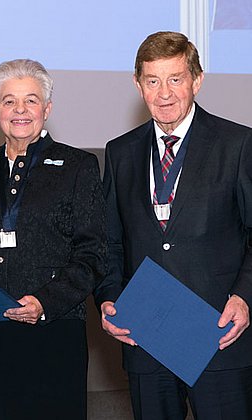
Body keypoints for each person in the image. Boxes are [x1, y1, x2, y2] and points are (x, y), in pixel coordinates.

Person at [95, 31, 252, 419]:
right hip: (145, 336)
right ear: (138, 84)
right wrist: (109, 298)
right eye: (153, 80)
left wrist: (244, 297)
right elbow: (109, 242)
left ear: (197, 80)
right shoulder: (120, 152)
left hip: (219, 336)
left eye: (175, 79)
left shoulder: (238, 145)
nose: (164, 93)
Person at [0, 59, 107, 419]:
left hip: (52, 329)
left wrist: (44, 302)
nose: (20, 110)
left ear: (47, 109)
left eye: (31, 100)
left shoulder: (79, 166)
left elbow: (92, 253)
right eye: (9, 100)